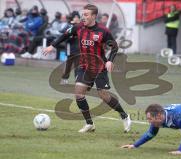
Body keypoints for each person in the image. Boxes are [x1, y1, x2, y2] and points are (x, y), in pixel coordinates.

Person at [43, 4, 131, 133]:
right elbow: (64, 35)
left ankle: (124, 115)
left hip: (99, 67)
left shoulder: (103, 31)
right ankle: (89, 124)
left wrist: (110, 61)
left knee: (104, 96)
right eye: (82, 14)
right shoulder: (78, 27)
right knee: (79, 94)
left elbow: (114, 47)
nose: (83, 17)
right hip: (84, 66)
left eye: (86, 15)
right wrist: (52, 46)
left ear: (94, 16)